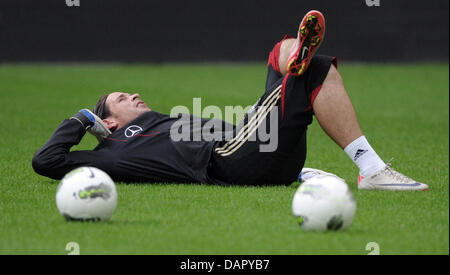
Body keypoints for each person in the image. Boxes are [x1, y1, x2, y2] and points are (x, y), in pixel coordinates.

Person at [32, 10, 428, 191]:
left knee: (311, 65)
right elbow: (45, 161)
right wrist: (83, 118)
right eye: (121, 98)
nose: (134, 95)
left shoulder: (160, 121)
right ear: (111, 122)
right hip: (233, 157)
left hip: (253, 149)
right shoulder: (112, 151)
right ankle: (296, 63)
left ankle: (298, 63)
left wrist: (299, 172)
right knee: (294, 60)